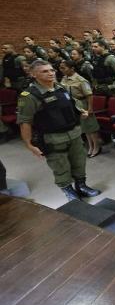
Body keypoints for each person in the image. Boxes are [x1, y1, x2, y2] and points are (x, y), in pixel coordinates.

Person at [16, 60, 100, 200]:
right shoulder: (29, 96)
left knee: (79, 161)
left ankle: (81, 186)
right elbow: (25, 122)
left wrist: (81, 111)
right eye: (45, 71)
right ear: (34, 75)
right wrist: (29, 145)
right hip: (53, 138)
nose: (50, 73)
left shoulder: (60, 87)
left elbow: (71, 103)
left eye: (52, 70)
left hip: (73, 133)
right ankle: (69, 191)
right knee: (61, 166)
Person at [59, 60, 102, 157]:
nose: (61, 70)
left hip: (82, 104)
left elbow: (89, 95)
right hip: (72, 104)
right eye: (60, 68)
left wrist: (90, 109)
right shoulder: (64, 78)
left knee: (90, 127)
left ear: (72, 68)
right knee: (84, 127)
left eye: (64, 68)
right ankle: (90, 146)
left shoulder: (81, 80)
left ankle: (96, 146)